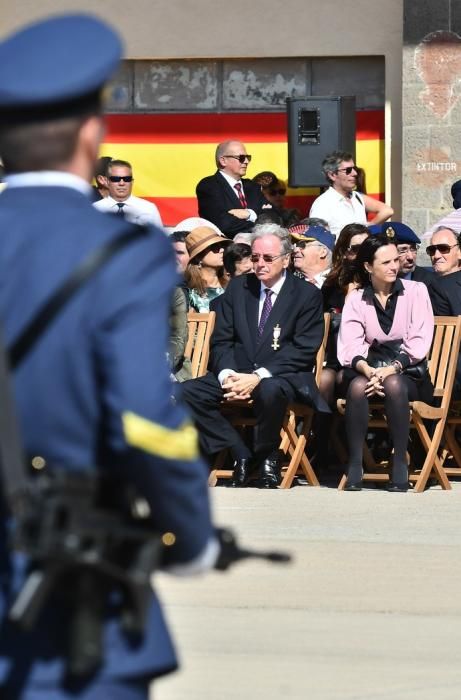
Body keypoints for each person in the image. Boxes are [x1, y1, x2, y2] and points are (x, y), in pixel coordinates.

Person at [0, 13, 218, 699]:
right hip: (70, 579)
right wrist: (191, 534)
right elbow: (144, 419)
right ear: (92, 134)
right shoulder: (122, 255)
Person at [181, 223, 326, 489]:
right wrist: (227, 376)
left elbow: (303, 348)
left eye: (268, 258)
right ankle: (239, 452)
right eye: (255, 257)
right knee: (184, 393)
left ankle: (268, 456)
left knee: (269, 390)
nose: (259, 263)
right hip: (237, 372)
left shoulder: (307, 295)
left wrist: (257, 376)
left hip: (282, 376)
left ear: (285, 259)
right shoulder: (238, 288)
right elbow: (222, 340)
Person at [337, 235, 434, 492]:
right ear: (369, 267)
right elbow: (350, 344)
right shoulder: (357, 298)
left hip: (409, 374)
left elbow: (419, 339)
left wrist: (390, 369)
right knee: (357, 386)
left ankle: (399, 459)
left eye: (396, 260)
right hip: (370, 370)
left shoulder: (416, 291)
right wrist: (369, 371)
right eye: (386, 262)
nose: (395, 266)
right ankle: (355, 463)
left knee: (393, 384)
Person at [196, 140, 272, 238]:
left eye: (248, 157)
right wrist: (261, 227)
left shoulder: (253, 187)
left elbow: (273, 214)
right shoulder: (209, 186)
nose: (246, 161)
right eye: (241, 158)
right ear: (223, 160)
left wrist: (249, 214)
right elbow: (224, 224)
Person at [309, 150, 394, 237]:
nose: (355, 173)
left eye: (355, 169)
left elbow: (387, 211)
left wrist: (368, 228)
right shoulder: (323, 203)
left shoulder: (357, 196)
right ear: (332, 175)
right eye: (348, 170)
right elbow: (316, 237)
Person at [94, 158, 163, 228]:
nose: (121, 183)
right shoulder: (95, 209)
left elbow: (159, 238)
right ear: (107, 182)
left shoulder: (148, 209)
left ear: (132, 182)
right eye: (116, 179)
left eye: (127, 179)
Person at [369, 221, 434, 286]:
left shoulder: (429, 282)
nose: (410, 257)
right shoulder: (375, 280)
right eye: (402, 250)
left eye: (413, 249)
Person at [184, 226, 230, 312]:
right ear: (198, 258)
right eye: (214, 247)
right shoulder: (188, 294)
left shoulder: (232, 286)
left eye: (222, 246)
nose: (222, 250)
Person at [289, 223, 335, 288]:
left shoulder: (340, 284)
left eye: (303, 245)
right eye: (294, 245)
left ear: (323, 252)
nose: (295, 250)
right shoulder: (290, 285)